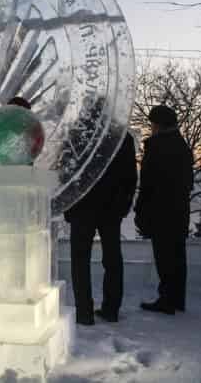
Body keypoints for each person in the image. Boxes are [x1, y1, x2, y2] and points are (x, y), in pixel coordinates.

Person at [64, 131, 137, 325]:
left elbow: (66, 171)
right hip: (111, 208)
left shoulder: (78, 134)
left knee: (80, 261)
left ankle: (84, 312)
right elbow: (130, 176)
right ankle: (111, 309)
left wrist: (68, 205)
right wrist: (123, 205)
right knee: (112, 258)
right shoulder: (122, 136)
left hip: (82, 206)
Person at [134, 105, 194, 315]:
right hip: (179, 210)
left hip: (160, 211)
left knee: (164, 256)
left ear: (158, 124)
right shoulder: (182, 146)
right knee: (177, 255)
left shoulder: (157, 146)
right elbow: (187, 182)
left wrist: (141, 209)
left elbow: (148, 183)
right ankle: (176, 299)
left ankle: (167, 299)